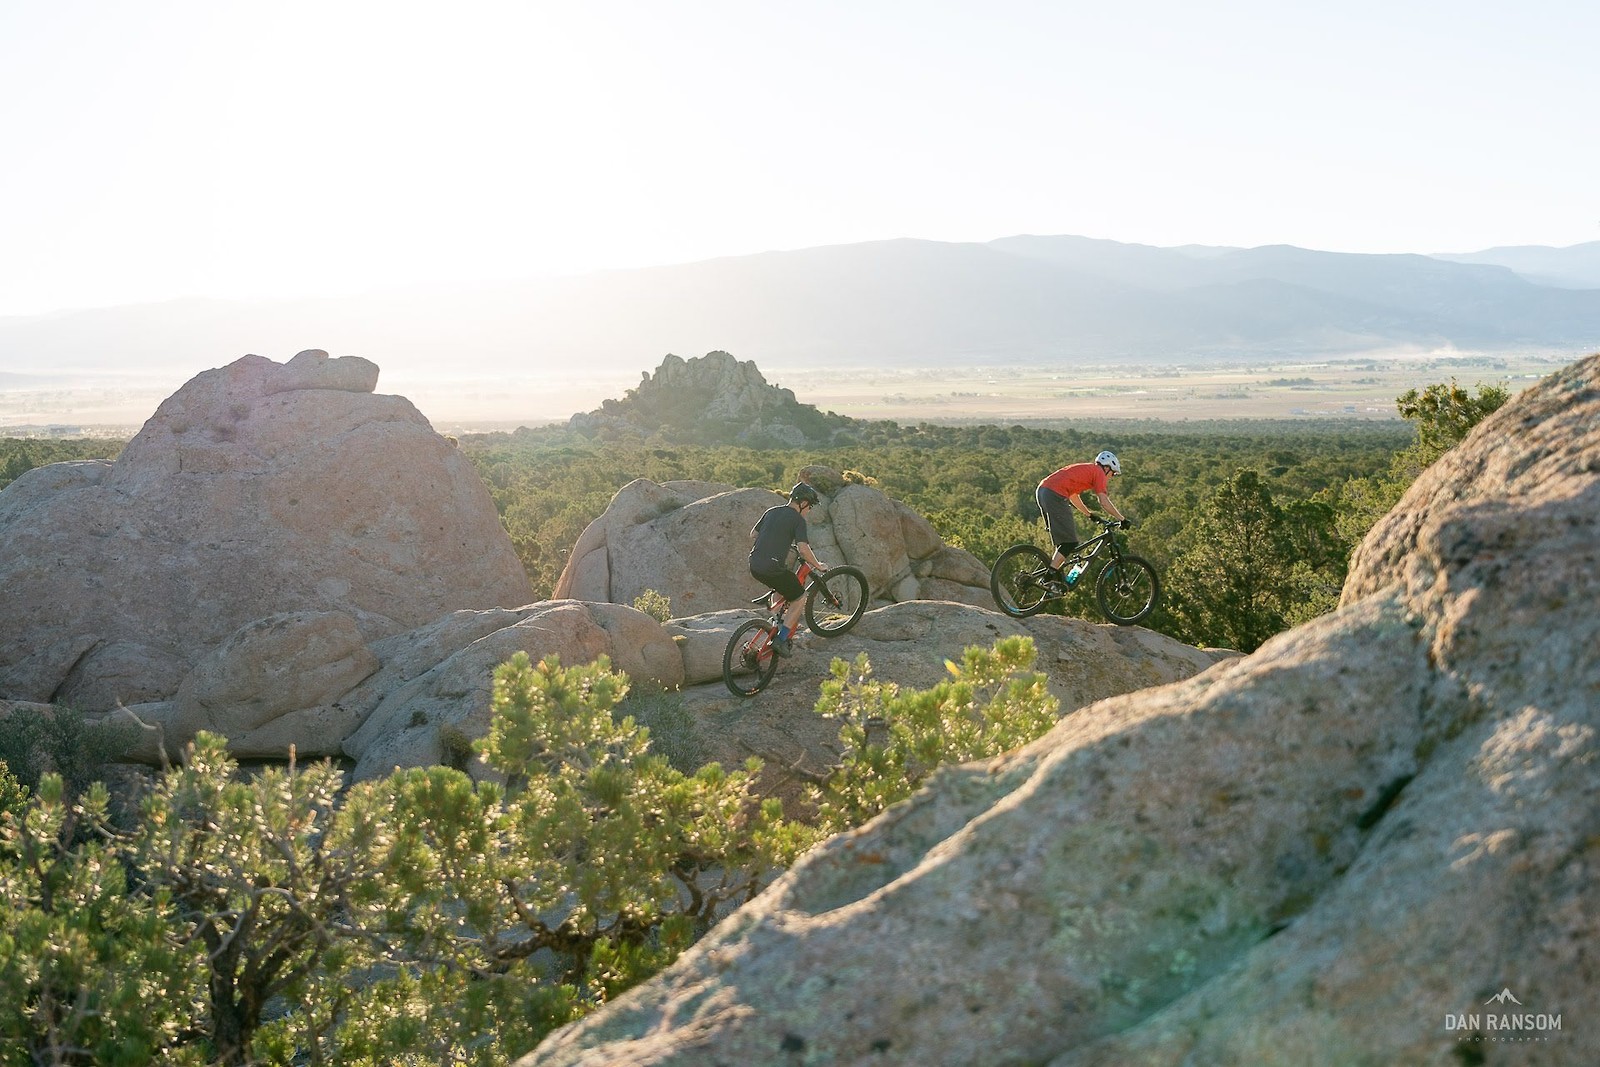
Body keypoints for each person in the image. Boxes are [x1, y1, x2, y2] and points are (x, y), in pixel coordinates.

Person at [748, 482, 828, 657]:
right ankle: (781, 639)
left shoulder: (771, 511)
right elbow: (804, 550)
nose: (808, 511)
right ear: (803, 503)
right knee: (800, 597)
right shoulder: (797, 520)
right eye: (810, 507)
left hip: (754, 564)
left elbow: (753, 534)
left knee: (782, 585)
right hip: (772, 567)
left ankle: (776, 622)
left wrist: (777, 537)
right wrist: (818, 566)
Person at [1036, 450, 1131, 584]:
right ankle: (1047, 578)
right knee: (1070, 543)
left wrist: (1090, 515)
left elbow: (1073, 496)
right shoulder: (1099, 473)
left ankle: (1055, 581)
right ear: (1107, 468)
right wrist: (1122, 519)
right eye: (1113, 473)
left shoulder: (1088, 470)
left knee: (1063, 544)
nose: (1111, 477)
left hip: (1043, 491)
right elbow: (1104, 501)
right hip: (1054, 494)